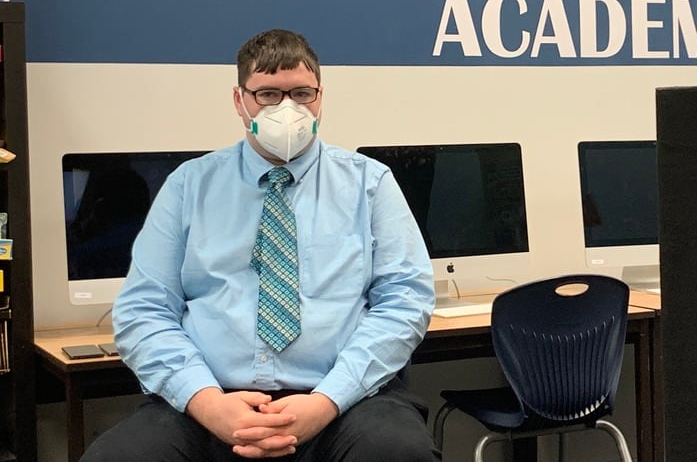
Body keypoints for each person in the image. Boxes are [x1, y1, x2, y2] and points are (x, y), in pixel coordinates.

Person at [81, 29, 439, 461]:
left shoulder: (370, 183)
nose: (288, 109)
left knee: (397, 452)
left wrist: (327, 401)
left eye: (302, 93)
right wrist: (207, 403)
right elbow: (144, 310)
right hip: (210, 402)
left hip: (341, 401)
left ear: (321, 97)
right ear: (239, 100)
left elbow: (404, 302)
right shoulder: (189, 186)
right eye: (268, 94)